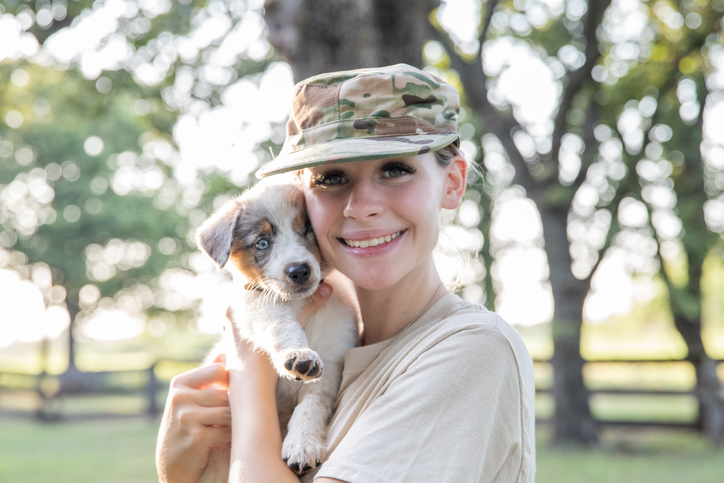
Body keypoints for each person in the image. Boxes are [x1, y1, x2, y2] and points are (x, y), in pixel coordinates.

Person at [156, 64, 536, 483]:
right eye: (332, 177)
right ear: (302, 196)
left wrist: (250, 376)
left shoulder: (471, 351)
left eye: (395, 169)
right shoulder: (344, 344)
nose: (361, 206)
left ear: (453, 183)